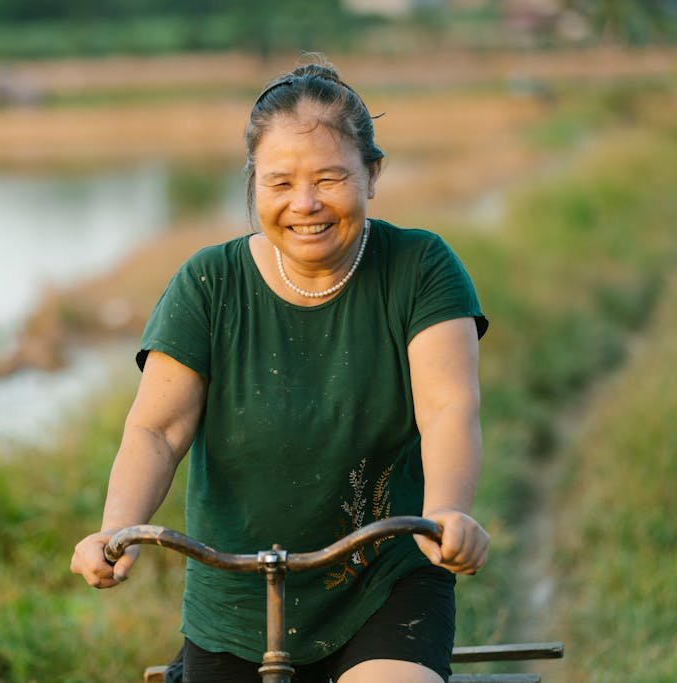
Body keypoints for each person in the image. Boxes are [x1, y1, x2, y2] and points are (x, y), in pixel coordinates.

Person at [71, 54, 490, 683]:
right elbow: (157, 431)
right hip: (236, 600)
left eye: (329, 178)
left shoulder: (420, 265)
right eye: (280, 182)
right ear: (253, 183)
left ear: (372, 175)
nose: (305, 204)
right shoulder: (208, 283)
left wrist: (448, 512)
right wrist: (114, 531)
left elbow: (447, 407)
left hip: (386, 583)